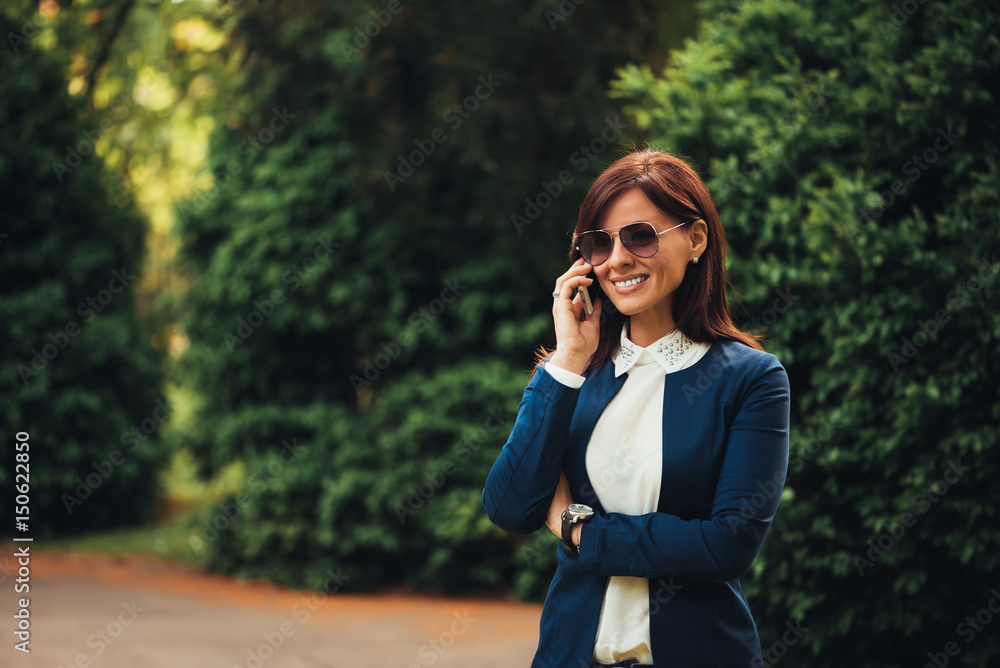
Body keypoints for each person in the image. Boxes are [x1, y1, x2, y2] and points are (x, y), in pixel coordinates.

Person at [482, 149, 791, 667]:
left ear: (695, 239)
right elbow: (510, 508)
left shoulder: (751, 379)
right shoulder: (568, 375)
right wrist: (567, 361)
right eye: (599, 243)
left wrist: (577, 529)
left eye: (640, 236)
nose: (618, 259)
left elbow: (727, 544)